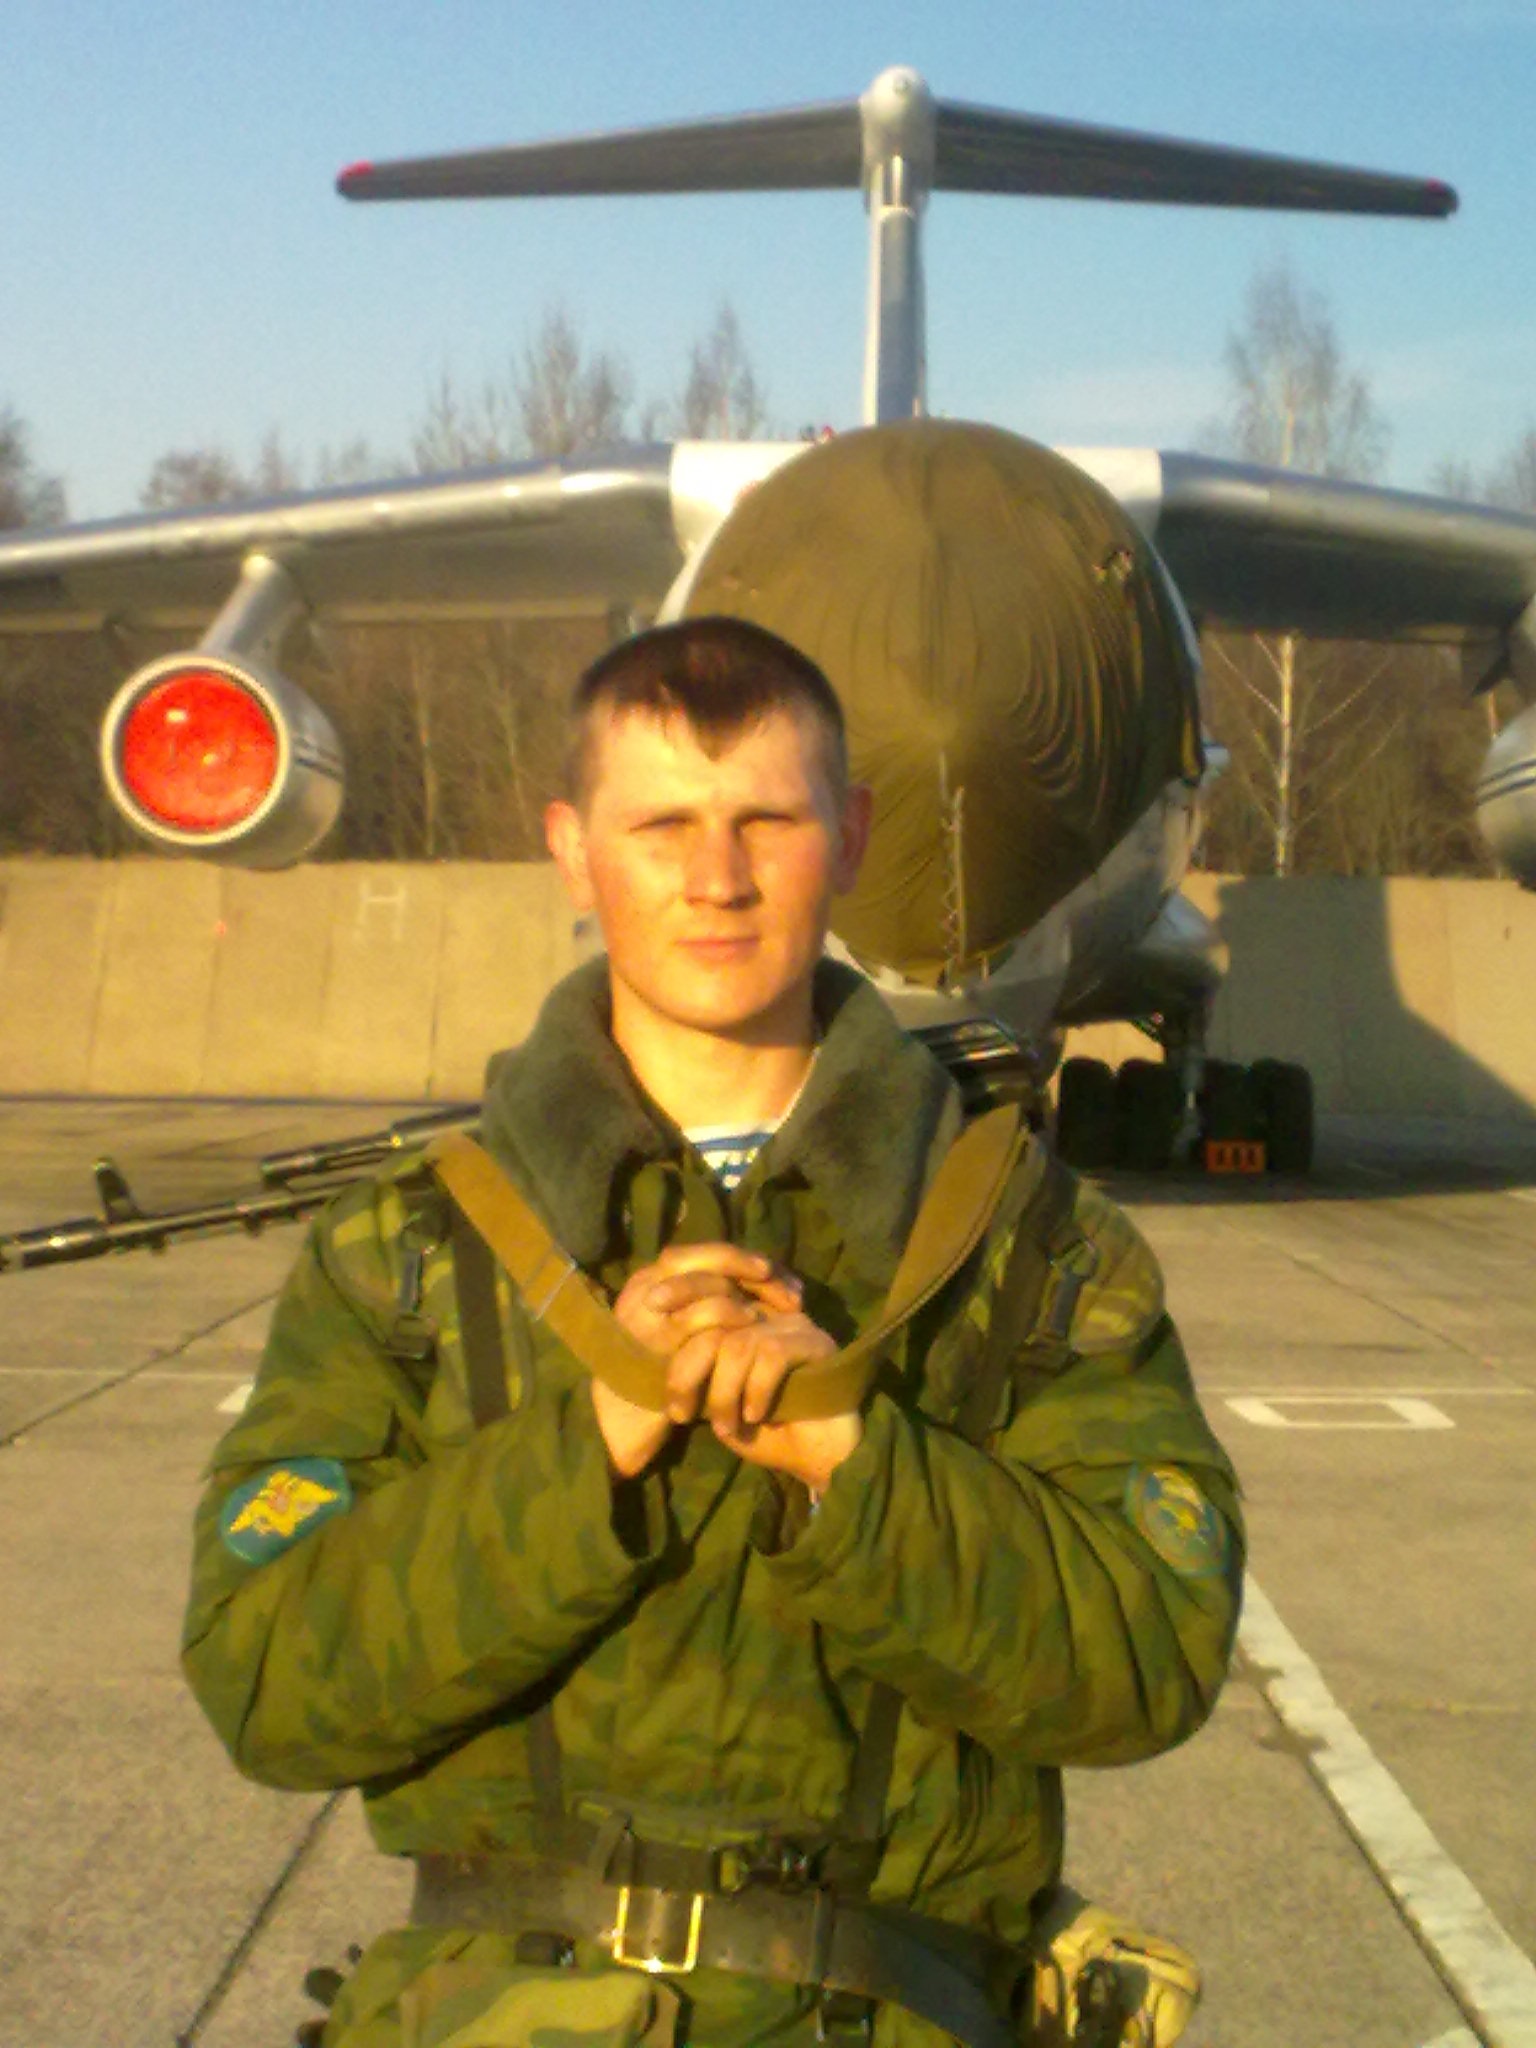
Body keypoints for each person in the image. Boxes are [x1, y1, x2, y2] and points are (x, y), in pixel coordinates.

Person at [182, 615, 1243, 2048]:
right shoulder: (415, 1252)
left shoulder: (1025, 1247)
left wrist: (862, 1471)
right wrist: (585, 1449)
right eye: (662, 825)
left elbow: (1150, 1661)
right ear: (573, 848)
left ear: (851, 837)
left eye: (768, 822)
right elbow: (267, 1686)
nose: (717, 878)